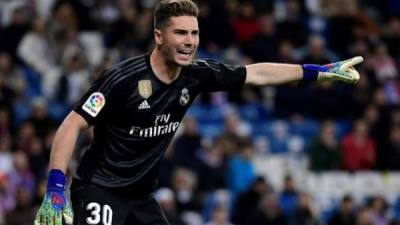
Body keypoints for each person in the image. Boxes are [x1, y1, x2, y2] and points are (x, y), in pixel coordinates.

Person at [34, 0, 363, 224]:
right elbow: (71, 125)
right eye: (180, 33)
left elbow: (257, 73)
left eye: (194, 33)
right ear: (159, 36)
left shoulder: (197, 74)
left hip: (141, 196)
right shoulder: (122, 79)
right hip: (98, 188)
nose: (190, 41)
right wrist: (55, 188)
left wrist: (316, 70)